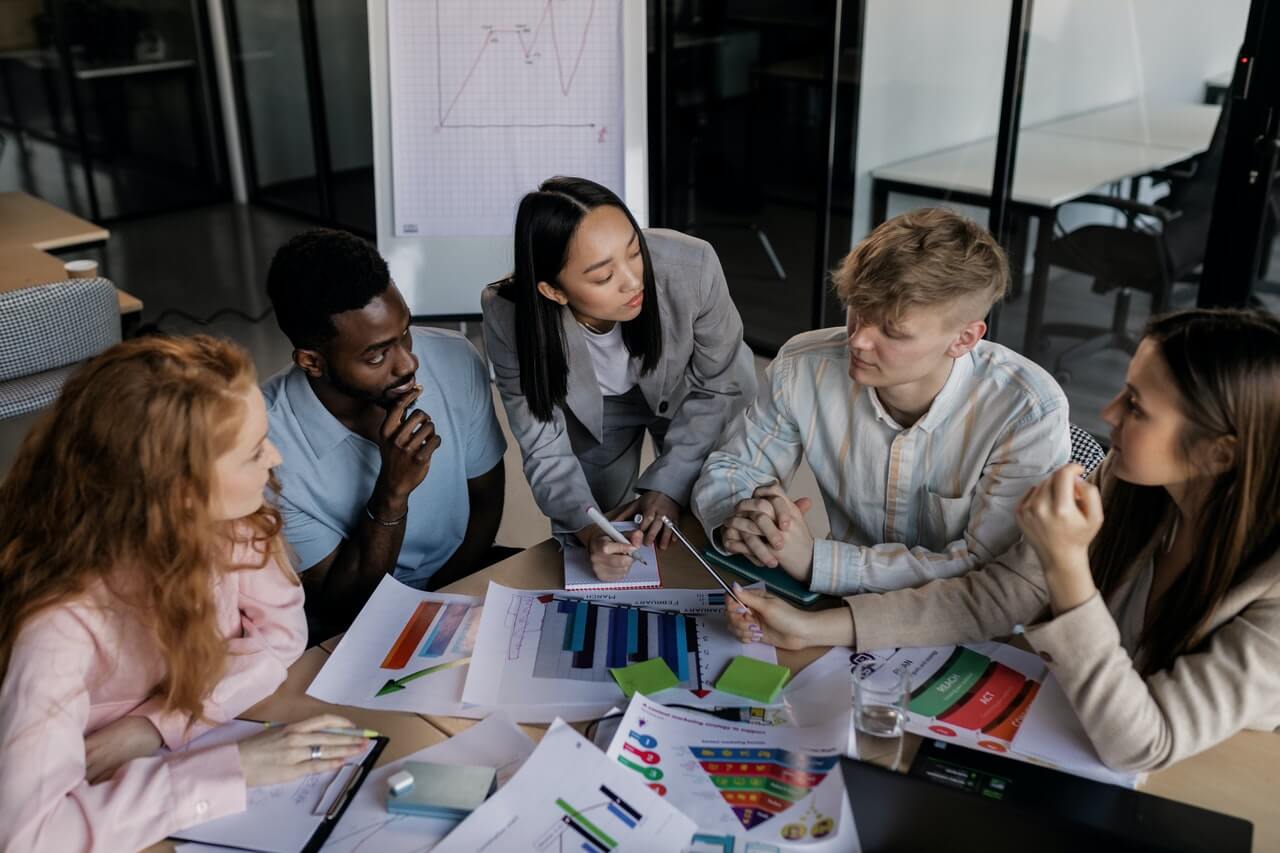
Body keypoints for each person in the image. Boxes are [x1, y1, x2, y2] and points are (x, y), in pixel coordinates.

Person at [728, 308, 1280, 772]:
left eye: (1136, 407)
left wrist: (1066, 565)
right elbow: (999, 595)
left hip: (1208, 776)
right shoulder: (1134, 483)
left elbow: (1142, 745)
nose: (1108, 414)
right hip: (1078, 734)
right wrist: (815, 626)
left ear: (1220, 454)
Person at [0, 335, 368, 852]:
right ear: (180, 493)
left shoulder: (235, 522)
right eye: (254, 451)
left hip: (149, 771)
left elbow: (282, 636)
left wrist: (158, 726)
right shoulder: (60, 623)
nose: (276, 456)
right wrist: (231, 769)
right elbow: (29, 837)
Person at [692, 207, 1069, 595]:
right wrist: (748, 518)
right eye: (858, 309)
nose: (857, 340)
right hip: (835, 603)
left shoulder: (1027, 410)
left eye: (892, 331)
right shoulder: (801, 366)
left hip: (969, 627)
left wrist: (815, 562)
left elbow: (991, 568)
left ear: (964, 339)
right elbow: (735, 465)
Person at [482, 176, 756, 579]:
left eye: (634, 252)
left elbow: (718, 385)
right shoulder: (509, 314)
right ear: (553, 291)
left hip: (695, 393)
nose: (632, 280)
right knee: (602, 525)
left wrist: (668, 487)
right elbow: (544, 447)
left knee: (707, 505)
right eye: (602, 276)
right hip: (599, 411)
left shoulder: (692, 265)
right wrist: (591, 532)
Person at [263, 230, 509, 635]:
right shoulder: (265, 444)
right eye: (377, 355)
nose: (408, 363)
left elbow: (485, 503)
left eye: (406, 332)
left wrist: (445, 607)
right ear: (311, 361)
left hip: (458, 581)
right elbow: (341, 606)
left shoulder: (455, 358)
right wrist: (392, 493)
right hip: (350, 621)